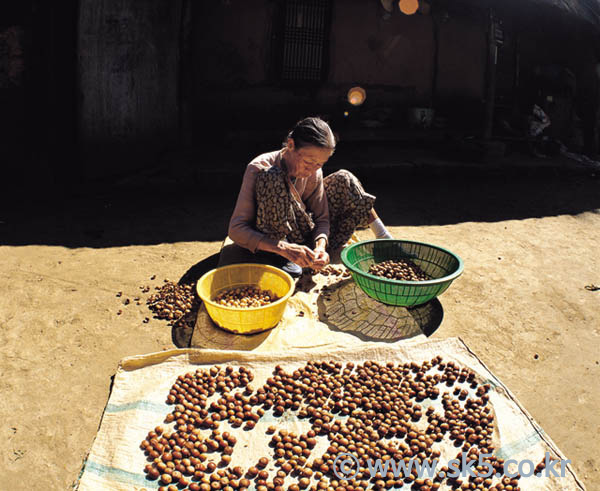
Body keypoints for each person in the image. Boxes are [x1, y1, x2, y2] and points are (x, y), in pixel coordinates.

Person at [227, 117, 393, 276]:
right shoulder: (259, 167)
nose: (312, 170)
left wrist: (320, 246)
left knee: (345, 178)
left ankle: (385, 239)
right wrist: (284, 249)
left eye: (319, 164)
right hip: (274, 242)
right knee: (272, 176)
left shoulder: (314, 172)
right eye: (308, 162)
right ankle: (279, 259)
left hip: (302, 233)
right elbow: (236, 229)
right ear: (291, 145)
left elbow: (322, 219)